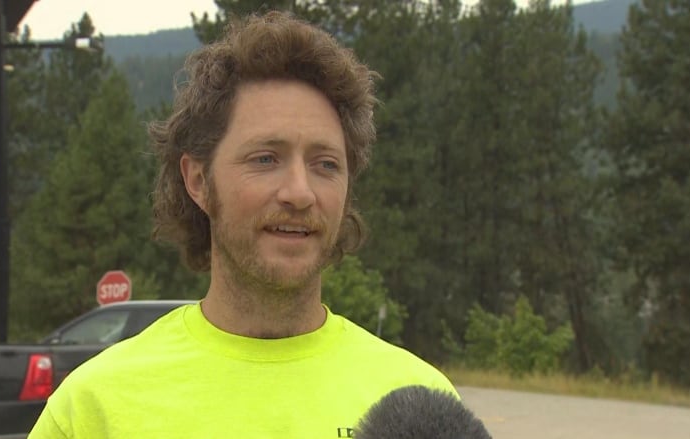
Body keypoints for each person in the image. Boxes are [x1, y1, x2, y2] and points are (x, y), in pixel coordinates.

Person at [29, 11, 457, 438]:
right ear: (198, 180)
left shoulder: (417, 408)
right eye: (266, 159)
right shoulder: (94, 406)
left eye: (325, 164)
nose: (299, 192)